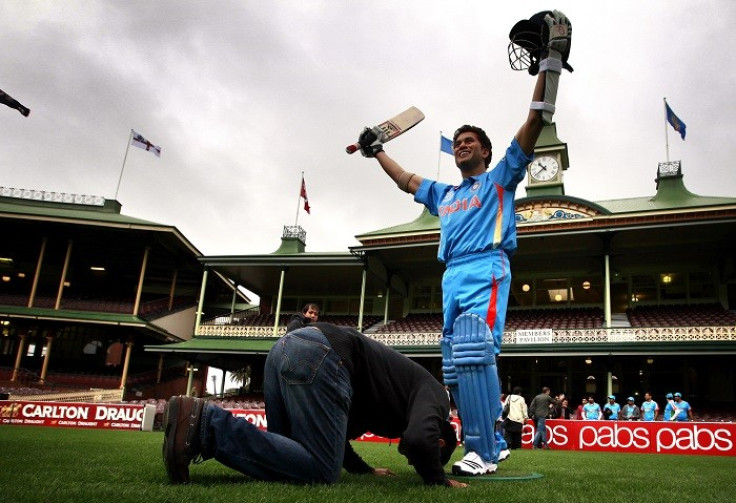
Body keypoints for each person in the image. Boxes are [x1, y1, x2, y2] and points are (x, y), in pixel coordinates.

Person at [353, 10, 571, 476]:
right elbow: (406, 182)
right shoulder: (445, 195)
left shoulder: (500, 179)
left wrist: (550, 64)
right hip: (451, 275)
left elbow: (533, 123)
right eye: (458, 141)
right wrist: (377, 152)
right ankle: (493, 438)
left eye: (469, 140)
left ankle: (483, 452)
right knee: (454, 367)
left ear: (487, 151)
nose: (462, 145)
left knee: (474, 350)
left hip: (486, 267)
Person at [162, 322, 465, 487]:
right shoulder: (436, 394)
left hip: (286, 349)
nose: (411, 462)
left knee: (288, 459)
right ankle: (206, 423)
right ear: (438, 441)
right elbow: (417, 439)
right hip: (321, 353)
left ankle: (196, 431)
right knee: (321, 471)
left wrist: (363, 469)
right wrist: (437, 479)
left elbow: (335, 436)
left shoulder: (388, 400)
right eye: (421, 460)